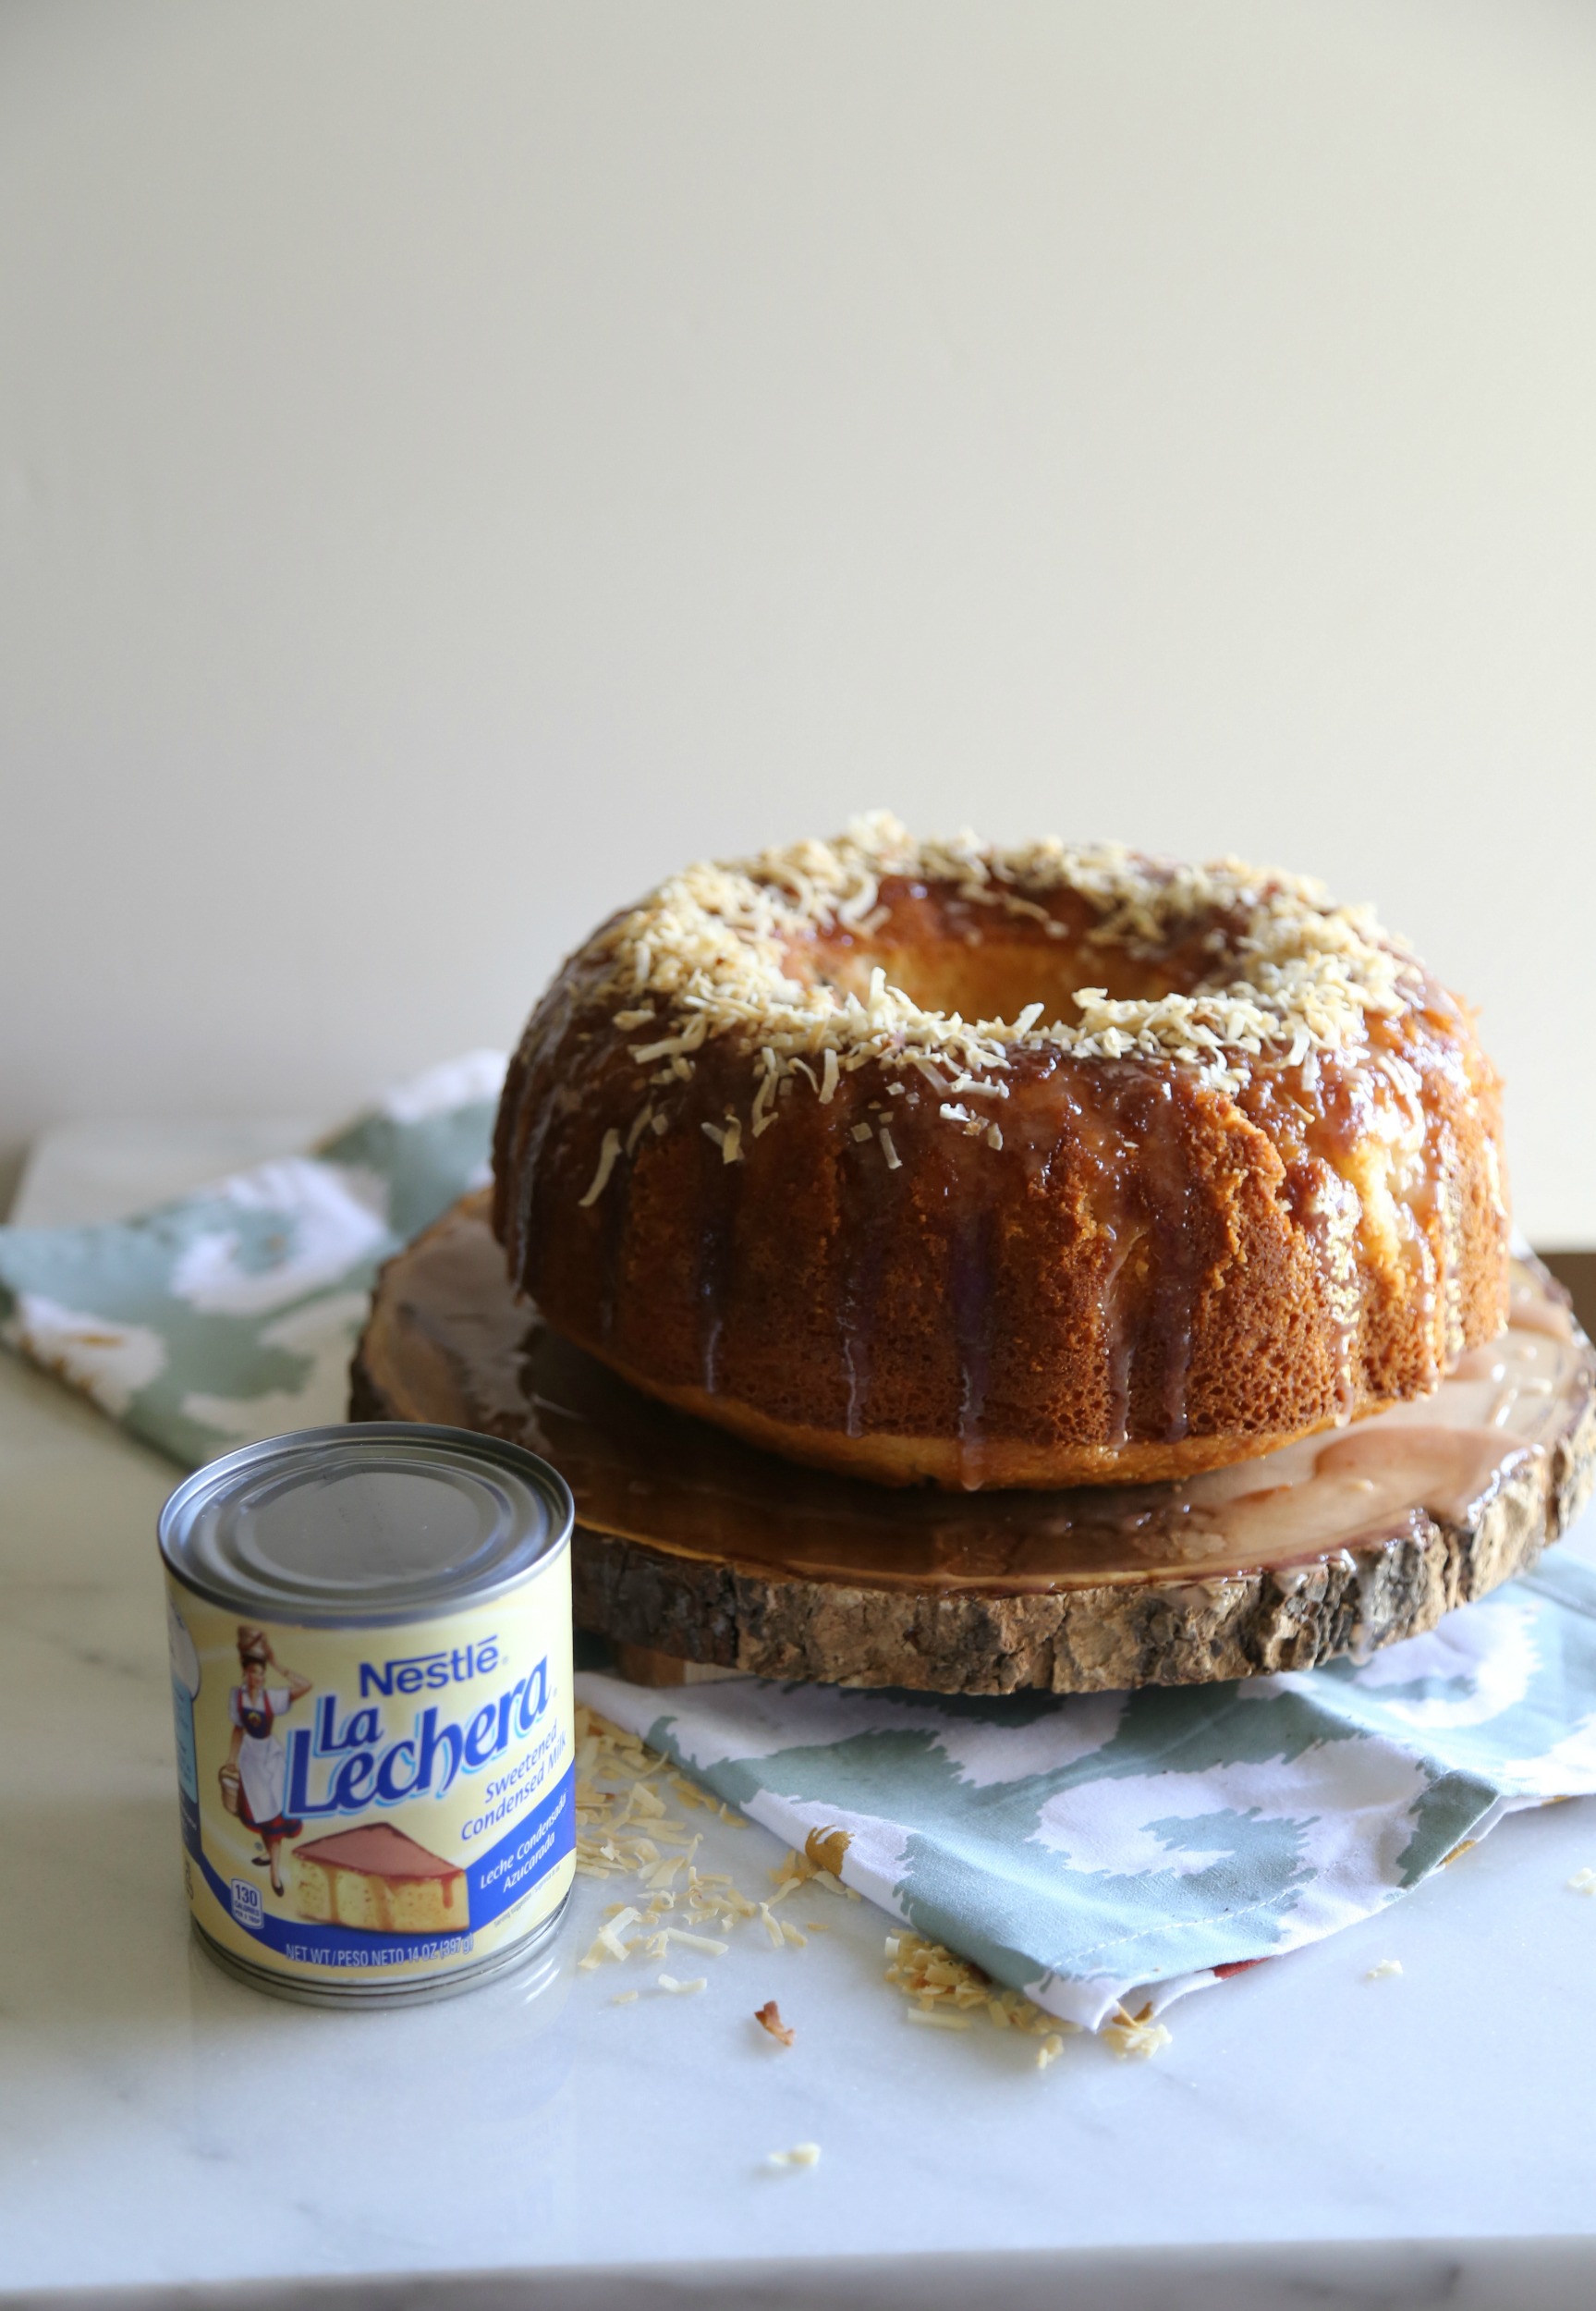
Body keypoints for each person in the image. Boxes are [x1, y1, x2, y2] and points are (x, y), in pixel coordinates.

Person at [223, 1627, 311, 1897]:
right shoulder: (237, 1697)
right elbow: (238, 1729)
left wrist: (276, 1663)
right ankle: (271, 1861)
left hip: (271, 1759)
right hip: (250, 1761)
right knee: (261, 1814)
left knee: (274, 1815)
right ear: (246, 1673)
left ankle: (274, 1872)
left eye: (261, 1673)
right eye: (253, 1672)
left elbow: (305, 1686)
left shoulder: (272, 1698)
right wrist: (231, 1760)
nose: (257, 1678)